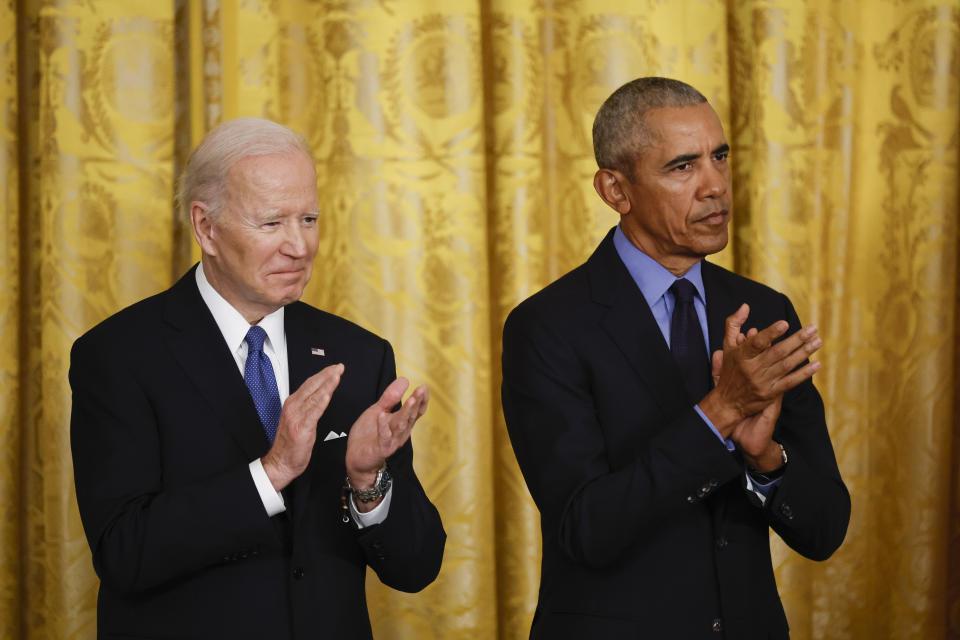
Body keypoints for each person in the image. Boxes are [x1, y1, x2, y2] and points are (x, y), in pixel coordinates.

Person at [70, 117, 445, 639]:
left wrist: (366, 482)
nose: (300, 246)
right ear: (207, 228)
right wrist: (270, 474)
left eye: (309, 219)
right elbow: (124, 553)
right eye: (272, 224)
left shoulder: (357, 354)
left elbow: (416, 567)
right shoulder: (117, 355)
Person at [501, 77, 850, 639]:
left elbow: (826, 529)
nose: (715, 187)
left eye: (719, 157)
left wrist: (767, 461)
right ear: (616, 190)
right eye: (683, 167)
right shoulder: (547, 327)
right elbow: (585, 528)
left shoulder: (763, 310)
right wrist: (720, 414)